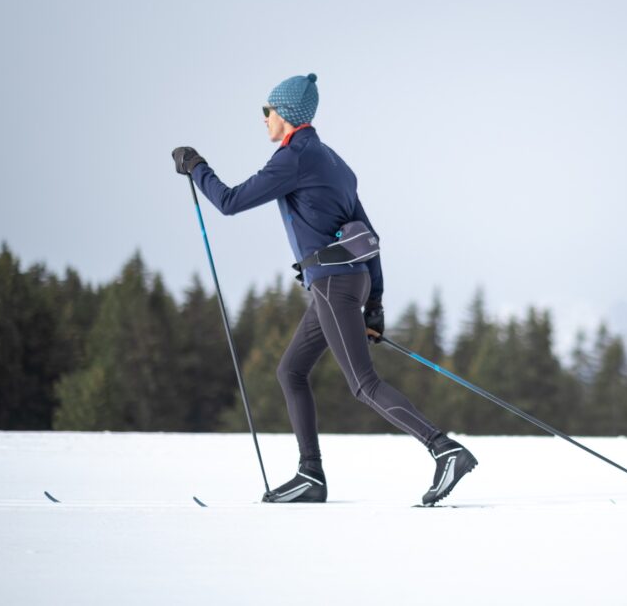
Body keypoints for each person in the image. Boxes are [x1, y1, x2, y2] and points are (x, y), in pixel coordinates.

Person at [171, 73, 477, 505]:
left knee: (363, 383)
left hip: (333, 285)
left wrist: (196, 166)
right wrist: (375, 305)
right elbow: (369, 236)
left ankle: (444, 449)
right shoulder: (333, 161)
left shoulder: (293, 158)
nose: (264, 119)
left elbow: (230, 202)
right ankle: (310, 474)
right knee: (290, 371)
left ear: (287, 115)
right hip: (343, 283)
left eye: (267, 111)